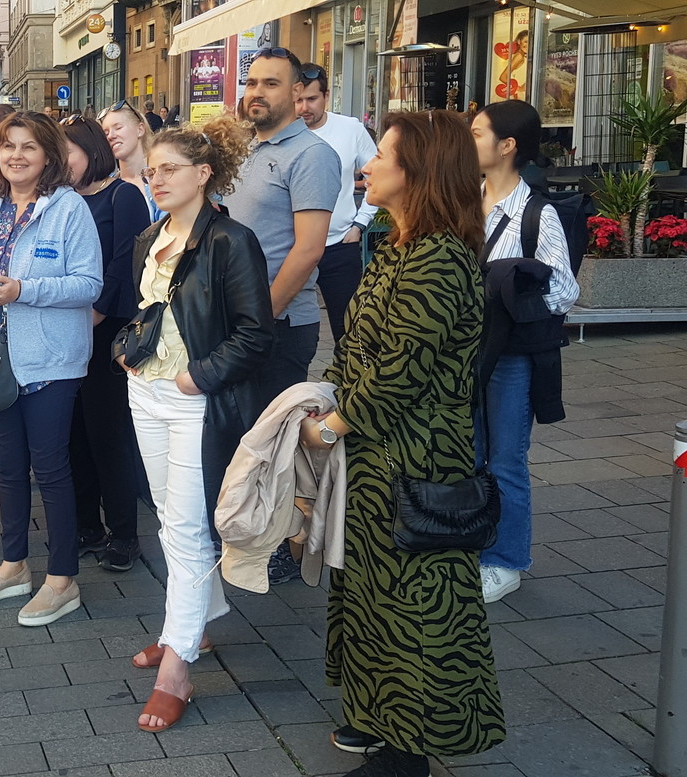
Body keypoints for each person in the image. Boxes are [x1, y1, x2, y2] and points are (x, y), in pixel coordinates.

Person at [301, 109, 502, 776]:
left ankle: (408, 751)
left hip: (416, 460)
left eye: (381, 156)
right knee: (368, 592)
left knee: (414, 605)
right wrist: (327, 398)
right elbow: (358, 346)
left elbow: (400, 371)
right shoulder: (398, 246)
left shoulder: (439, 258)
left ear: (418, 171)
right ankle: (375, 716)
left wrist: (330, 426)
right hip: (376, 456)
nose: (367, 166)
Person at [110, 115, 273, 733]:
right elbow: (144, 310)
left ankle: (177, 665)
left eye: (170, 170)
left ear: (204, 174)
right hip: (145, 391)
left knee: (183, 528)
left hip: (193, 400)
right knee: (168, 515)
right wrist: (126, 352)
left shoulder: (231, 241)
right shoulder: (149, 236)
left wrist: (197, 377)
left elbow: (256, 333)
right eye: (152, 170)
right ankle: (193, 625)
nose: (156, 180)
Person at [0, 111, 102, 626]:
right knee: (9, 469)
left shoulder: (68, 209)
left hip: (50, 360)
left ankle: (62, 580)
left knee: (51, 468)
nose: (16, 155)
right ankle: (13, 566)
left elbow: (89, 284)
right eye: (8, 145)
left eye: (29, 146)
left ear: (48, 155)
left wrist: (23, 290)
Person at [226, 48, 338, 587]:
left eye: (270, 83)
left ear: (297, 93)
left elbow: (308, 249)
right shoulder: (245, 149)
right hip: (237, 324)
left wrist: (261, 316)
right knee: (247, 438)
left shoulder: (311, 155)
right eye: (251, 82)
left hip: (279, 324)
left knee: (278, 445)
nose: (256, 92)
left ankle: (286, 548)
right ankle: (253, 534)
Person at [471, 100, 578, 604]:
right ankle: (472, 545)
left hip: (511, 356)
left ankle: (506, 561)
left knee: (506, 459)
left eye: (477, 133)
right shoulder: (465, 201)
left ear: (507, 145)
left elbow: (565, 290)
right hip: (467, 352)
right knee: (469, 453)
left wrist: (511, 302)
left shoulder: (537, 213)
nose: (469, 142)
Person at [59, 114, 150, 572]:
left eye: (67, 153)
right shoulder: (62, 200)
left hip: (106, 332)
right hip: (67, 331)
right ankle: (86, 526)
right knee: (73, 434)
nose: (61, 163)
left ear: (91, 150)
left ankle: (124, 534)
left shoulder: (123, 195)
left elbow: (125, 263)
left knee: (108, 434)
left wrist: (93, 316)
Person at [296, 62, 377, 344]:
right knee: (289, 330)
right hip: (293, 247)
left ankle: (347, 372)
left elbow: (379, 175)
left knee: (349, 330)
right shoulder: (283, 133)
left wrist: (360, 224)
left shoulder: (350, 129)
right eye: (298, 100)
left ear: (326, 96)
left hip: (339, 245)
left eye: (311, 99)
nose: (304, 107)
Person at [99, 100, 160, 222]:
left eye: (118, 128)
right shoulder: (104, 185)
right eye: (106, 133)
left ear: (140, 129)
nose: (111, 136)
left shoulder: (161, 179)